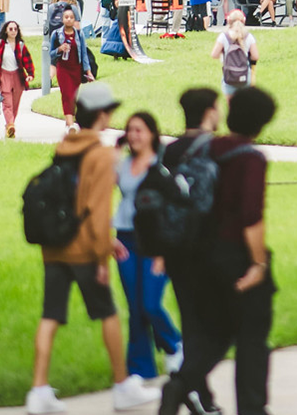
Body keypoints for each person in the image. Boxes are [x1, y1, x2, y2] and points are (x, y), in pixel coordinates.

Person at [27, 83, 160, 414]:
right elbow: (98, 211)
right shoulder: (100, 154)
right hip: (85, 249)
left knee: (50, 314)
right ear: (102, 115)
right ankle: (122, 384)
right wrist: (103, 254)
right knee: (108, 313)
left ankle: (38, 389)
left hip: (54, 247)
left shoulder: (64, 146)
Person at [156, 87, 276, 415]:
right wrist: (259, 263)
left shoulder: (205, 149)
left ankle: (180, 385)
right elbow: (251, 216)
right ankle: (252, 408)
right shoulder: (250, 157)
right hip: (236, 256)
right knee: (251, 338)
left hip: (199, 255)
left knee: (214, 333)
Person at [158, 88, 225, 415]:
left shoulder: (170, 152)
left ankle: (203, 397)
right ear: (210, 112)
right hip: (207, 248)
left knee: (190, 322)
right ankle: (183, 385)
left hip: (175, 247)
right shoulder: (215, 149)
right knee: (214, 327)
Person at [114, 111, 183, 385]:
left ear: (153, 134)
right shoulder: (122, 165)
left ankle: (174, 345)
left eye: (139, 130)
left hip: (156, 243)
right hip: (126, 240)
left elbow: (175, 207)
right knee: (135, 308)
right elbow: (97, 194)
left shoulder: (163, 165)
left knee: (150, 304)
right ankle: (139, 370)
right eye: (130, 130)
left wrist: (166, 251)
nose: (133, 135)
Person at [0, 19, 35, 138]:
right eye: (10, 29)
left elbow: (27, 61)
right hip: (4, 75)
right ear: (6, 30)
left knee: (15, 104)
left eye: (15, 29)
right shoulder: (0, 45)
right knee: (7, 103)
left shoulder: (20, 46)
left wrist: (30, 74)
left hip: (18, 76)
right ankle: (10, 124)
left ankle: (10, 126)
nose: (13, 31)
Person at [50, 7, 94, 121]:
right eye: (66, 17)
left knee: (73, 97)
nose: (69, 19)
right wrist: (59, 49)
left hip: (76, 69)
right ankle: (70, 124)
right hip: (63, 69)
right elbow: (51, 53)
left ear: (75, 20)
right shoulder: (56, 34)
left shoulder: (79, 34)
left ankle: (70, 122)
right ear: (62, 19)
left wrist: (88, 72)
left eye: (71, 17)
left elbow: (84, 53)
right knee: (66, 95)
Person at [212, 12, 259, 99]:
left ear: (229, 21)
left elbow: (214, 54)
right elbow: (255, 56)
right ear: (244, 21)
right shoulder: (248, 36)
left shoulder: (224, 36)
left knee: (231, 107)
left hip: (229, 74)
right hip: (245, 74)